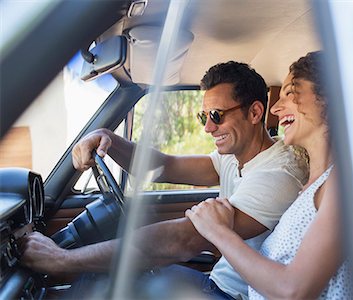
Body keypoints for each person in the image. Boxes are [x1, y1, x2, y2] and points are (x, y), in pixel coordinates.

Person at [20, 61, 308, 299]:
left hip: (232, 295)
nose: (208, 127)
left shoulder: (277, 175)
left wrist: (62, 259)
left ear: (255, 112)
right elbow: (164, 165)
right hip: (217, 283)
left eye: (217, 116)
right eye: (203, 116)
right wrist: (109, 140)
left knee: (104, 281)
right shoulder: (235, 156)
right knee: (104, 275)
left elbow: (185, 238)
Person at [186, 52, 353, 299]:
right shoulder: (316, 183)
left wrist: (218, 232)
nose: (274, 108)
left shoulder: (344, 185)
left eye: (290, 93)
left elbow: (293, 290)